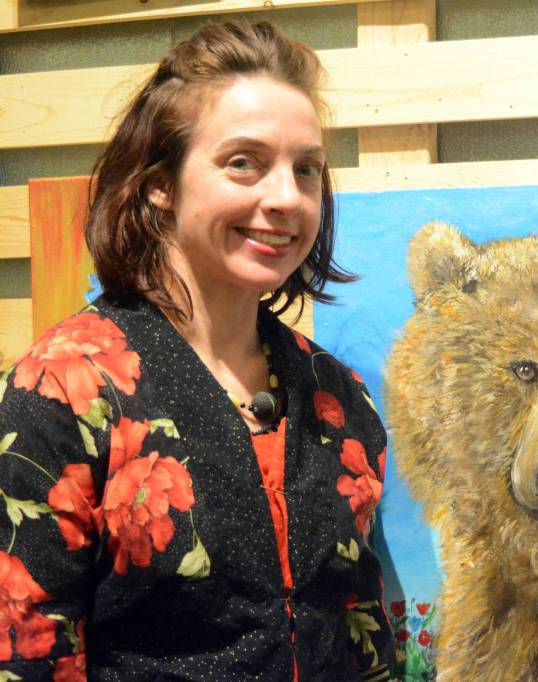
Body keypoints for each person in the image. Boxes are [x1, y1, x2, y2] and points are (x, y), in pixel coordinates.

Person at [0, 21, 394, 681]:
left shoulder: (336, 394)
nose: (286, 198)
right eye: (244, 162)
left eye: (307, 170)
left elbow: (361, 630)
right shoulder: (66, 388)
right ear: (160, 184)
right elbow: (26, 653)